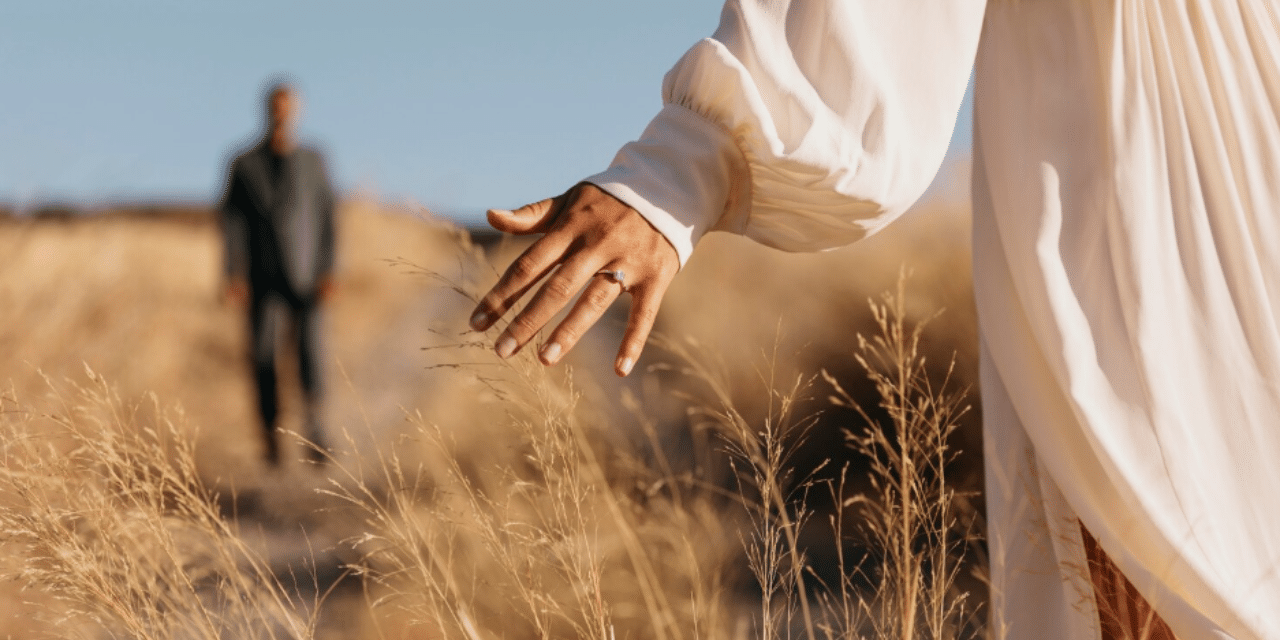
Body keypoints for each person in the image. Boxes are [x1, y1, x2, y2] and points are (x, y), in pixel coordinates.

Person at [468, 1, 1280, 638]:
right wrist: (682, 166)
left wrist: (682, 164)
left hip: (1180, 175)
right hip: (1155, 178)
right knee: (1187, 546)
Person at [219, 81, 337, 466]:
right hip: (261, 278)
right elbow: (231, 223)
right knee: (264, 358)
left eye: (289, 107)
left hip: (306, 278)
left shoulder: (314, 160)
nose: (282, 114)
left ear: (297, 111)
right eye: (276, 107)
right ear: (266, 110)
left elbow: (328, 217)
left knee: (311, 356)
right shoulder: (243, 164)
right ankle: (271, 439)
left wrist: (328, 268)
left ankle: (316, 434)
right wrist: (233, 274)